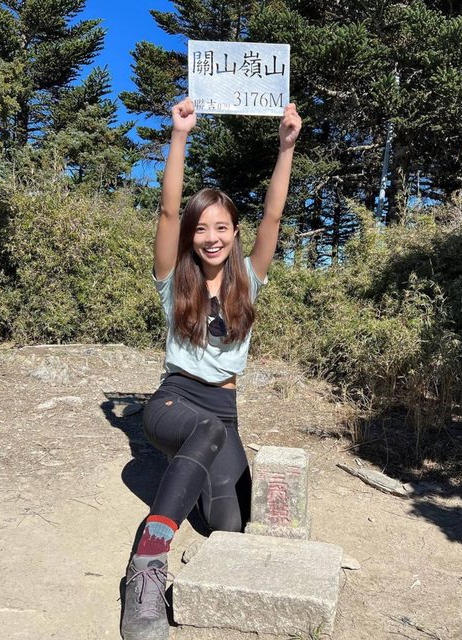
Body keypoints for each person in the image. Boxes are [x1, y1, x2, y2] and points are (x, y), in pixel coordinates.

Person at [121, 97, 302, 640]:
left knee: (230, 523)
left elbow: (274, 215)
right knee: (202, 432)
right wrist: (179, 136)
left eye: (221, 227)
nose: (211, 237)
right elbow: (167, 213)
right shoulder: (172, 276)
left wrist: (286, 147)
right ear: (191, 236)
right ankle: (147, 563)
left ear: (234, 231)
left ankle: (190, 475)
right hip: (174, 402)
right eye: (201, 228)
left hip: (225, 413)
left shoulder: (250, 276)